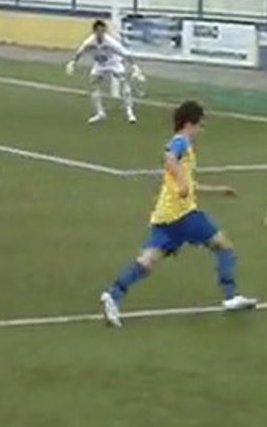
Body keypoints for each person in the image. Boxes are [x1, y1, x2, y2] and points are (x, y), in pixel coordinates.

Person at [99, 100, 257, 328]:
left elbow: (189, 185)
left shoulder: (185, 148)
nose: (201, 130)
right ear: (190, 124)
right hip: (183, 215)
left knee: (147, 260)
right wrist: (183, 182)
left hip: (165, 216)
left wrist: (218, 190)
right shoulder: (180, 142)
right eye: (200, 125)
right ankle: (231, 296)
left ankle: (113, 295)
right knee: (223, 245)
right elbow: (169, 159)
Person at [65, 19, 143, 124]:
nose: (100, 33)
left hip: (114, 63)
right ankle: (100, 113)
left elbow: (126, 54)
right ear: (94, 31)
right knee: (93, 85)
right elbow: (80, 51)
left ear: (105, 31)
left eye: (102, 31)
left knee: (124, 84)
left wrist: (134, 66)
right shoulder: (89, 42)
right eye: (98, 31)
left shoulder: (111, 42)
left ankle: (130, 113)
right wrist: (73, 62)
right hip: (99, 65)